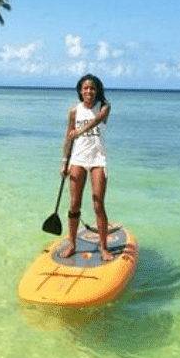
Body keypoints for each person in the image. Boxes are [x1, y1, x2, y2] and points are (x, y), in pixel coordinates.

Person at [59, 74, 114, 261]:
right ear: (80, 91)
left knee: (98, 203)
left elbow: (98, 120)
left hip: (98, 159)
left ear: (97, 90)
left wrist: (80, 132)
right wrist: (63, 162)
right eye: (85, 88)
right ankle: (72, 243)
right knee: (74, 204)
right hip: (78, 159)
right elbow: (68, 137)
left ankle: (104, 246)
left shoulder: (104, 107)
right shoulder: (74, 111)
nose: (89, 91)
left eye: (92, 88)